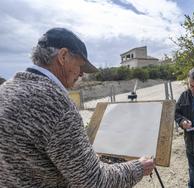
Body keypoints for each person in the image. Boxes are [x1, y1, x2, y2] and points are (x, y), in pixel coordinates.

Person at [0, 28, 154, 187]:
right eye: (81, 66)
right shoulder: (56, 104)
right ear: (63, 56)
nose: (81, 74)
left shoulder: (5, 90)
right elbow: (95, 181)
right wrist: (138, 167)